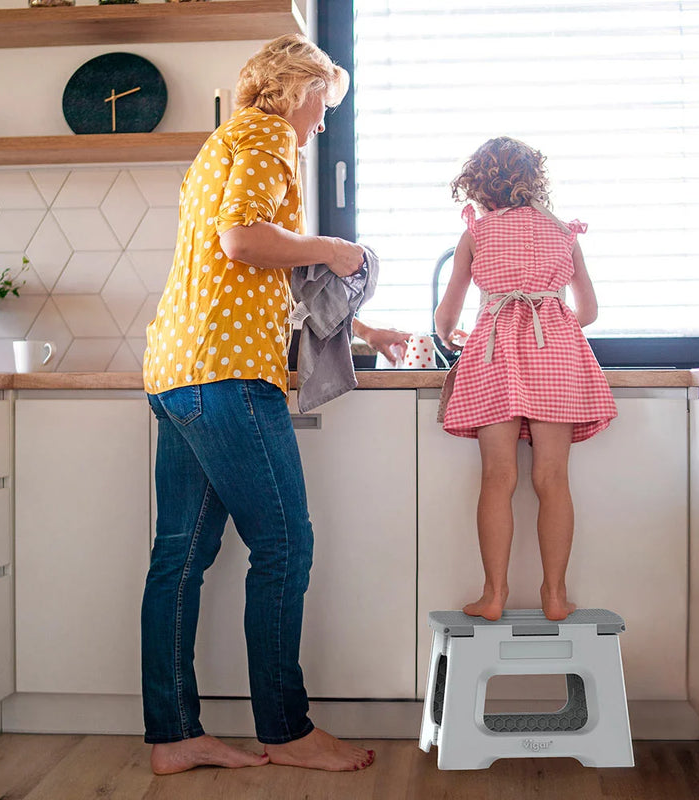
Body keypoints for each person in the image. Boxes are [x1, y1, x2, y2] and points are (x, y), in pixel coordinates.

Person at [141, 34, 401, 776]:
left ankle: (174, 735)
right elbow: (244, 241)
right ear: (297, 88)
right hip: (225, 376)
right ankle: (286, 729)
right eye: (323, 104)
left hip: (178, 371)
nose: (322, 121)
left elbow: (245, 276)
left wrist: (363, 324)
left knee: (179, 559)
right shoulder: (266, 134)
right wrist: (329, 248)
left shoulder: (222, 142)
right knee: (285, 547)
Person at [434, 136, 617, 623]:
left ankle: (493, 595)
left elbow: (446, 318)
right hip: (555, 353)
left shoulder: (477, 233)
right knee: (553, 478)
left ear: (479, 188)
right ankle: (554, 596)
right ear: (534, 181)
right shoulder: (563, 232)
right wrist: (552, 321)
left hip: (495, 354)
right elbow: (590, 312)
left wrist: (456, 333)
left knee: (497, 478)